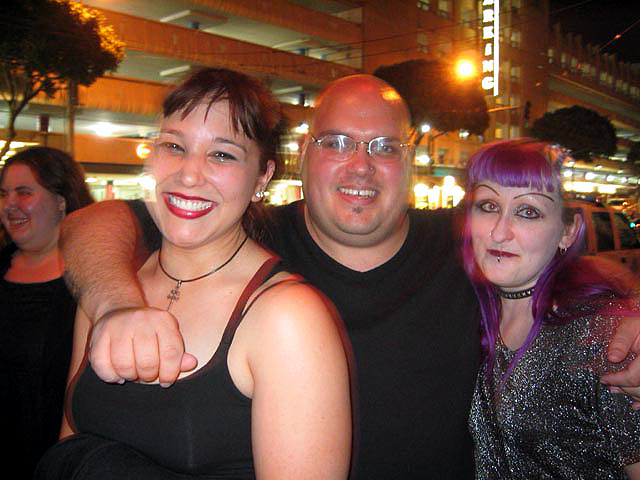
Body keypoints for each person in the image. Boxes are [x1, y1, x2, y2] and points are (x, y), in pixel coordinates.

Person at [58, 74, 640, 478]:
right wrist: (114, 303)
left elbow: (561, 264)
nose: (360, 165)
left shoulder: (465, 247)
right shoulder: (249, 240)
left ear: (410, 162)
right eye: (336, 143)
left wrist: (625, 315)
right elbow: (94, 223)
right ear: (302, 158)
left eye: (384, 147)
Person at [38, 68, 352, 479]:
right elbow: (70, 449)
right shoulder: (111, 286)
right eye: (174, 146)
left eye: (222, 154)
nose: (188, 174)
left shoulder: (287, 318)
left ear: (262, 176)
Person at [462, 139, 640, 478]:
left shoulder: (601, 339)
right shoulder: (465, 312)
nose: (499, 232)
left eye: (528, 212)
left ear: (568, 232)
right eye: (488, 205)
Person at [0, 146, 94, 479]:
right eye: (4, 194)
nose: (10, 204)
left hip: (55, 455)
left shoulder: (92, 280)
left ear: (61, 200)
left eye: (24, 192)